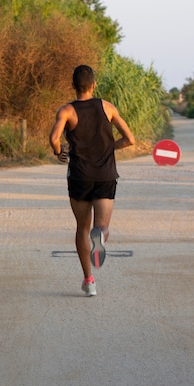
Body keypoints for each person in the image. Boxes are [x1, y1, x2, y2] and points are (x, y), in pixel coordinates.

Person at [49, 64, 135, 297]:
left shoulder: (66, 111)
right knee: (102, 226)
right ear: (94, 85)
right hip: (105, 176)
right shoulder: (107, 107)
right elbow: (129, 139)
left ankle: (89, 281)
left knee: (81, 228)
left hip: (79, 176)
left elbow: (54, 137)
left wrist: (59, 152)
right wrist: (110, 147)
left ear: (73, 86)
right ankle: (101, 237)